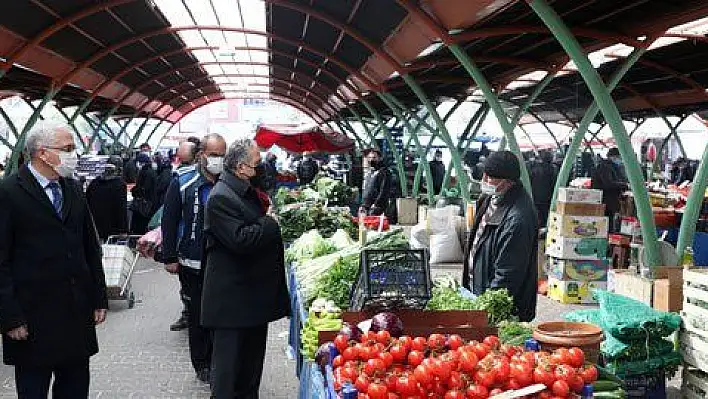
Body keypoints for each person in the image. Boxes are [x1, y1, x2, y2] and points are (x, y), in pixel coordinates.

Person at [0, 121, 108, 398]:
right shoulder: (9, 192)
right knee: (34, 389)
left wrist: (98, 297)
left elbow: (89, 246)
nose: (74, 155)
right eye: (68, 149)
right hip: (33, 317)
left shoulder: (73, 188)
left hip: (74, 312)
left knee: (74, 388)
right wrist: (10, 318)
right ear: (42, 153)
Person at [202, 139, 290, 398]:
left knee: (249, 373)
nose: (260, 168)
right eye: (257, 163)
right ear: (241, 167)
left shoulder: (242, 189)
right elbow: (240, 239)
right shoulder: (221, 197)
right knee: (228, 377)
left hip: (249, 300)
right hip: (231, 305)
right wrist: (270, 223)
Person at [161, 133, 226, 383]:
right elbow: (169, 218)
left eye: (222, 155)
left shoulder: (229, 181)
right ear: (201, 156)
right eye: (213, 155)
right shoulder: (183, 180)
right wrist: (169, 256)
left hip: (222, 262)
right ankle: (202, 364)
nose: (218, 160)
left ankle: (220, 360)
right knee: (198, 314)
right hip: (192, 261)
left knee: (220, 314)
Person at [462, 151, 539, 322]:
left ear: (507, 182)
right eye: (485, 174)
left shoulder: (518, 218)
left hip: (503, 309)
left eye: (490, 177)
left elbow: (507, 275)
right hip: (478, 292)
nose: (484, 180)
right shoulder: (489, 199)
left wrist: (488, 308)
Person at [86, 156, 128, 241]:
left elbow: (87, 204)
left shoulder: (94, 183)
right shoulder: (119, 185)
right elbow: (121, 209)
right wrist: (123, 229)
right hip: (112, 228)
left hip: (94, 226)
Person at [591, 148, 629, 222]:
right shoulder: (604, 167)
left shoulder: (613, 167)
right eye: (619, 157)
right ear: (613, 157)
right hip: (605, 200)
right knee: (606, 221)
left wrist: (625, 184)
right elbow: (608, 183)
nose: (620, 160)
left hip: (609, 201)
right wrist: (625, 185)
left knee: (609, 221)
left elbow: (620, 179)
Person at [129, 152, 157, 235]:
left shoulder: (145, 172)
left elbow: (144, 189)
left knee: (139, 227)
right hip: (147, 205)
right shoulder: (151, 172)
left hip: (143, 206)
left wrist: (134, 191)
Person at [529, 151, 557, 227]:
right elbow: (554, 183)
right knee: (545, 215)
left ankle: (536, 228)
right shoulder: (552, 169)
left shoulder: (533, 167)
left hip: (535, 196)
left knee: (536, 214)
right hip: (547, 197)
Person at [360, 149, 392, 216]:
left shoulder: (384, 172)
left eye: (374, 157)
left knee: (374, 225)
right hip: (366, 206)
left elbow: (384, 190)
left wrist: (377, 204)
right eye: (370, 158)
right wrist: (363, 205)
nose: (371, 160)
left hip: (376, 207)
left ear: (380, 158)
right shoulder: (370, 172)